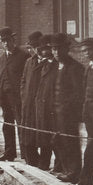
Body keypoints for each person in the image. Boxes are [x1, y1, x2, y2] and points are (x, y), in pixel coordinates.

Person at [51, 32, 85, 184]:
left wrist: (68, 109)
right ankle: (65, 169)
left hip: (68, 114)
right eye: (54, 49)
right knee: (59, 141)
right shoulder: (55, 66)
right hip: (56, 112)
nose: (56, 52)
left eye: (59, 49)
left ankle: (74, 172)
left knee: (71, 141)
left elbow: (78, 93)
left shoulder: (75, 67)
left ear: (66, 49)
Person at [0, 27, 28, 161]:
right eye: (3, 41)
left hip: (18, 98)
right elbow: (0, 77)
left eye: (8, 40)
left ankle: (26, 154)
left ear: (13, 40)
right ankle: (10, 152)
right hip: (5, 98)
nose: (6, 44)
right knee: (7, 125)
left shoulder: (23, 56)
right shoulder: (2, 58)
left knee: (21, 125)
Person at [79, 37, 93, 185]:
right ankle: (85, 184)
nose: (86, 53)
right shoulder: (88, 67)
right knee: (91, 149)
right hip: (90, 116)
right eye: (84, 51)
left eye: (89, 50)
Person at [19, 32, 44, 165]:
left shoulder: (48, 62)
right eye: (33, 47)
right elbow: (23, 80)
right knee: (28, 133)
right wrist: (24, 95)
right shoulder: (29, 61)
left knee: (43, 134)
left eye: (38, 47)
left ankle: (45, 163)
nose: (36, 50)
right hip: (28, 103)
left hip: (40, 104)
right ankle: (31, 161)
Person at [35, 37, 58, 172]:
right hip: (43, 106)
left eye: (47, 49)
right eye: (43, 49)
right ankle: (44, 163)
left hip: (52, 106)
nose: (45, 51)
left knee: (55, 138)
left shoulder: (57, 65)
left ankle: (58, 165)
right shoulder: (44, 64)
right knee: (44, 136)